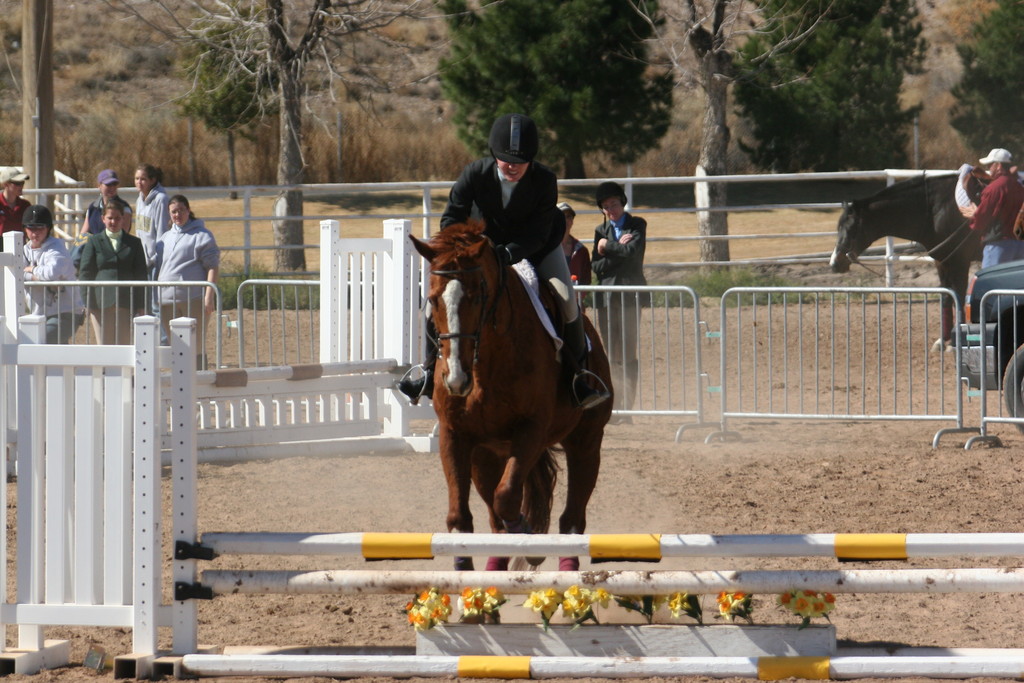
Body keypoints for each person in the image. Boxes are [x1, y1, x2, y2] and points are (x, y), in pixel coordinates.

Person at [398, 112, 609, 409]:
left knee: (566, 299)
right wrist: (463, 249)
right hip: (481, 251)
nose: (512, 166)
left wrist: (507, 254)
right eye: (505, 159)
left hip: (538, 248)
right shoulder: (474, 174)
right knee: (440, 304)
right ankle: (428, 371)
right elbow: (451, 218)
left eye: (520, 161)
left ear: (531, 159)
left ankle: (579, 377)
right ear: (493, 155)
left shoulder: (545, 179)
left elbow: (538, 233)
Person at [591, 180, 647, 417]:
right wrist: (613, 248)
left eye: (613, 204)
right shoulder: (600, 231)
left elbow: (632, 254)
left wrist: (607, 247)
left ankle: (628, 405)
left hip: (629, 295)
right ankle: (615, 402)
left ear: (622, 203)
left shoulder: (637, 225)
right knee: (611, 351)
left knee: (627, 350)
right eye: (606, 206)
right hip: (606, 297)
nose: (610, 210)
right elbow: (596, 265)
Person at [154, 194, 221, 370]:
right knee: (175, 345)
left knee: (195, 343)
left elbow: (212, 266)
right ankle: (179, 381)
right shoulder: (164, 238)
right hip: (167, 300)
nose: (178, 215)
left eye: (181, 210)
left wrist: (209, 296)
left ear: (188, 210)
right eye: (174, 212)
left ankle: (199, 380)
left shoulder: (202, 236)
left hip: (194, 298)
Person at [78, 201, 147, 345]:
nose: (113, 221)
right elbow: (85, 272)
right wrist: (87, 301)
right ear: (103, 219)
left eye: (117, 218)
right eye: (110, 218)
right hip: (100, 302)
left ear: (123, 219)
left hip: (127, 301)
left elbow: (141, 274)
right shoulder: (93, 241)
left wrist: (141, 304)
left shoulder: (134, 243)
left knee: (125, 344)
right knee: (104, 345)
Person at [21, 204, 83, 344]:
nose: (35, 233)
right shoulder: (24, 250)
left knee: (43, 341)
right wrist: (34, 276)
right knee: (55, 355)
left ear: (48, 228)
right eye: (31, 228)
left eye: (40, 228)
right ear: (25, 229)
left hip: (66, 311)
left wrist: (30, 270)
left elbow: (50, 274)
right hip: (39, 313)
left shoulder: (57, 248)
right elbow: (17, 274)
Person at [961, 148, 1024, 268]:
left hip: (999, 245)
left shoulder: (994, 188)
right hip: (1020, 245)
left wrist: (975, 214)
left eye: (990, 165)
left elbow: (980, 220)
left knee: (990, 284)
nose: (989, 168)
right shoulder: (1019, 187)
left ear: (998, 165)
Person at [133, 164, 170, 269]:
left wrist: (156, 258)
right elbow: (139, 230)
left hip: (155, 260)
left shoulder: (161, 199)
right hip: (142, 260)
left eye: (143, 179)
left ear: (152, 180)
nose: (139, 182)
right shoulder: (139, 200)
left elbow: (162, 231)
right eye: (136, 179)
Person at [78, 169, 131, 239]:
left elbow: (122, 235)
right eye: (108, 184)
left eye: (114, 184)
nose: (112, 187)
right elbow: (83, 235)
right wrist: (77, 247)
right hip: (94, 247)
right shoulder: (92, 208)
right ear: (99, 185)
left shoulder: (124, 208)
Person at [558, 201, 592, 309]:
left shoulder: (582, 250)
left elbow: (586, 280)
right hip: (553, 303)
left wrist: (579, 296)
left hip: (575, 305)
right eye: (561, 216)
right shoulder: (546, 249)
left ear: (572, 221)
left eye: (569, 217)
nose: (566, 220)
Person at [0, 167, 31, 242]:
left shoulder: (25, 205)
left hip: (19, 247)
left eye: (22, 183)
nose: (21, 186)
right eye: (17, 183)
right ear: (5, 184)